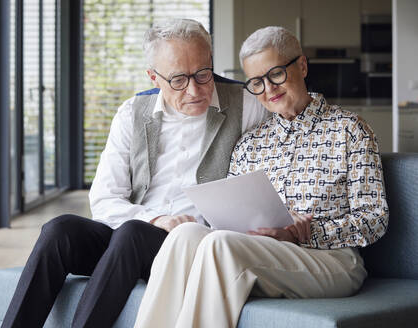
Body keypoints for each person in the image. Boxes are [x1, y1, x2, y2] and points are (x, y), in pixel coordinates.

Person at [1, 19, 268, 328]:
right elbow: (103, 199)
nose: (195, 89)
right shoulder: (132, 112)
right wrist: (157, 219)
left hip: (190, 245)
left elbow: (294, 122)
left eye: (203, 74)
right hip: (129, 242)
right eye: (179, 79)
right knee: (58, 230)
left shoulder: (247, 106)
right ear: (154, 77)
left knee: (132, 233)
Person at [134, 26, 389, 328]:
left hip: (332, 259)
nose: (268, 89)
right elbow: (225, 221)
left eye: (276, 74)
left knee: (220, 246)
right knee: (184, 235)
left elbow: (375, 219)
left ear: (302, 66)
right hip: (262, 254)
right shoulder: (249, 143)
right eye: (256, 82)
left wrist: (304, 232)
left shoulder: (349, 130)